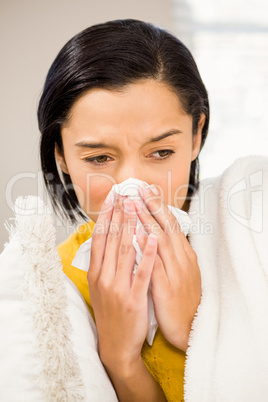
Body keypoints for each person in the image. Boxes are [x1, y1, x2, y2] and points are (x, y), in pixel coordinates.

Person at [37, 19, 268, 401]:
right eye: (99, 157)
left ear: (196, 135)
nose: (133, 186)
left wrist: (198, 330)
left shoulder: (252, 223)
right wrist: (120, 359)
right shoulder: (49, 290)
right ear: (61, 155)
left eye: (161, 152)